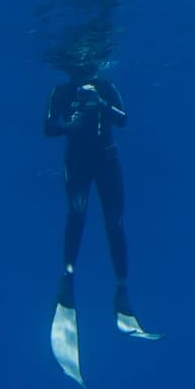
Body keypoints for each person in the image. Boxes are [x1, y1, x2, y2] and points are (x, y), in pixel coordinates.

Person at [44, 70, 154, 349]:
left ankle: (122, 286)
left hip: (106, 163)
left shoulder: (105, 86)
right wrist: (69, 125)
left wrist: (100, 103)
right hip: (77, 164)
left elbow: (123, 119)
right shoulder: (61, 92)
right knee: (77, 216)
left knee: (114, 223)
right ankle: (68, 274)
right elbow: (48, 128)